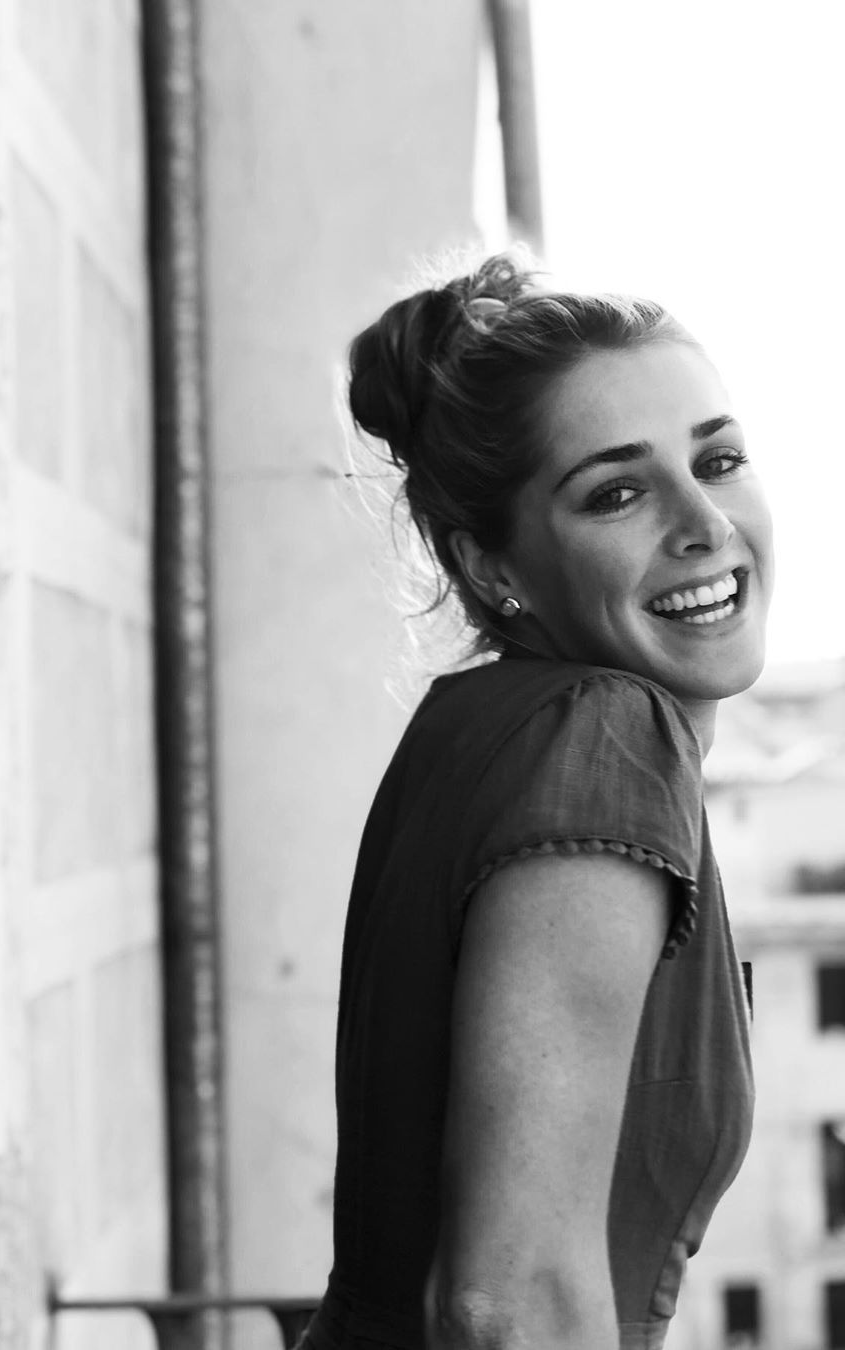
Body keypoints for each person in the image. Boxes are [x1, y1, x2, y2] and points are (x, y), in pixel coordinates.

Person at [299, 251, 773, 1350]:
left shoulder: (482, 728)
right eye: (617, 493)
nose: (705, 523)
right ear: (493, 567)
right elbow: (510, 1304)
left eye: (719, 459)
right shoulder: (604, 737)